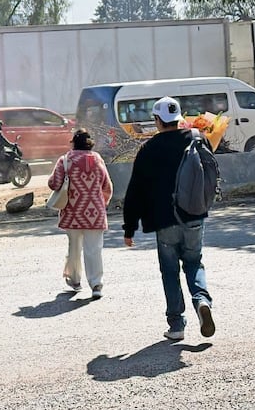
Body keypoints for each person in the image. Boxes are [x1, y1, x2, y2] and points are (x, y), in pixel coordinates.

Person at [122, 96, 216, 341]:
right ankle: (202, 301)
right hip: (195, 214)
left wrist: (129, 228)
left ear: (157, 121)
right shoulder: (198, 138)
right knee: (194, 263)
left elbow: (135, 191)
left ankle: (176, 325)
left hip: (165, 221)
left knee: (170, 271)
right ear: (178, 117)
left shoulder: (149, 149)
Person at [48, 128, 113, 298]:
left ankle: (75, 280)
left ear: (73, 142)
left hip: (72, 213)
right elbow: (107, 186)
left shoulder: (65, 160)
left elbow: (54, 184)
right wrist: (100, 204)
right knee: (94, 249)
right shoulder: (98, 159)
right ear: (90, 143)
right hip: (96, 213)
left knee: (74, 248)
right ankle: (96, 284)